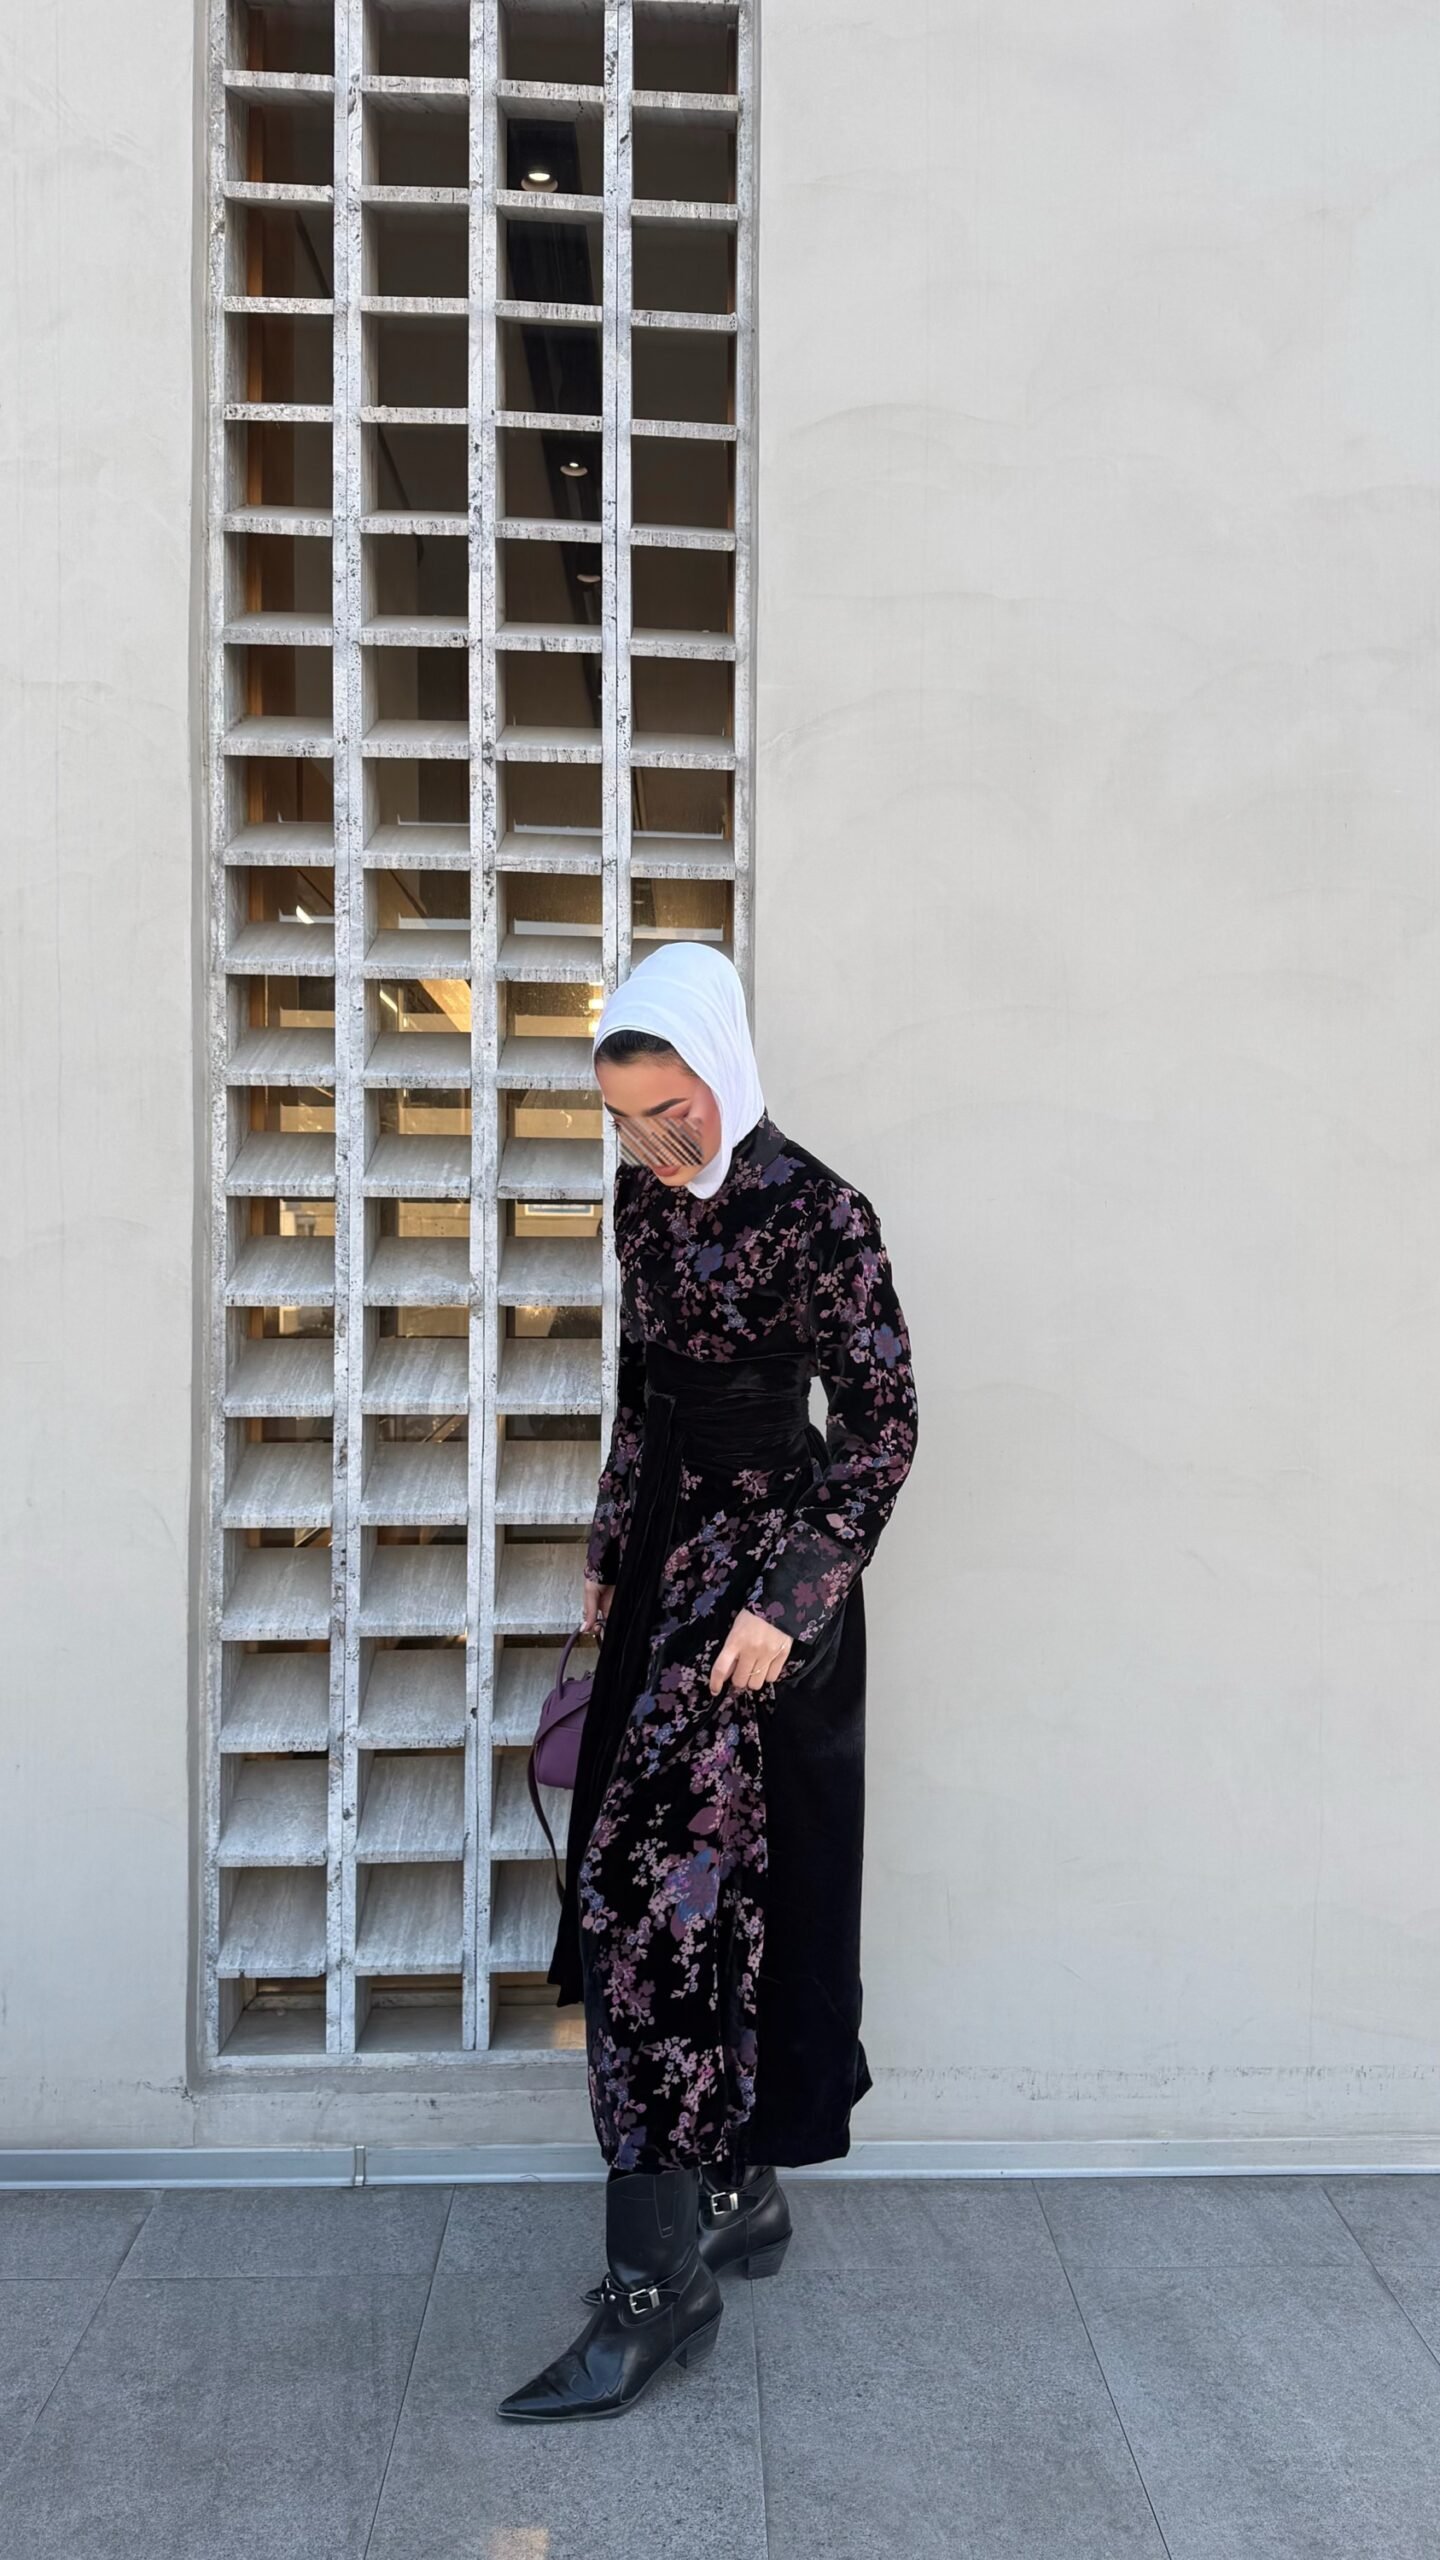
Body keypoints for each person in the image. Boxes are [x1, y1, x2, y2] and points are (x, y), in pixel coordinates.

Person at [497, 941, 919, 2424]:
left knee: (653, 1902)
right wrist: (611, 1547)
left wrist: (790, 1604)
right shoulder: (643, 1203)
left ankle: (656, 2286)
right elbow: (642, 1387)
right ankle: (732, 2200)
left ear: (723, 1071)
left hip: (760, 1602)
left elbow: (881, 1429)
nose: (651, 1145)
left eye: (669, 1112)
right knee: (687, 1905)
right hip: (668, 1567)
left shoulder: (823, 1214)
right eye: (623, 1121)